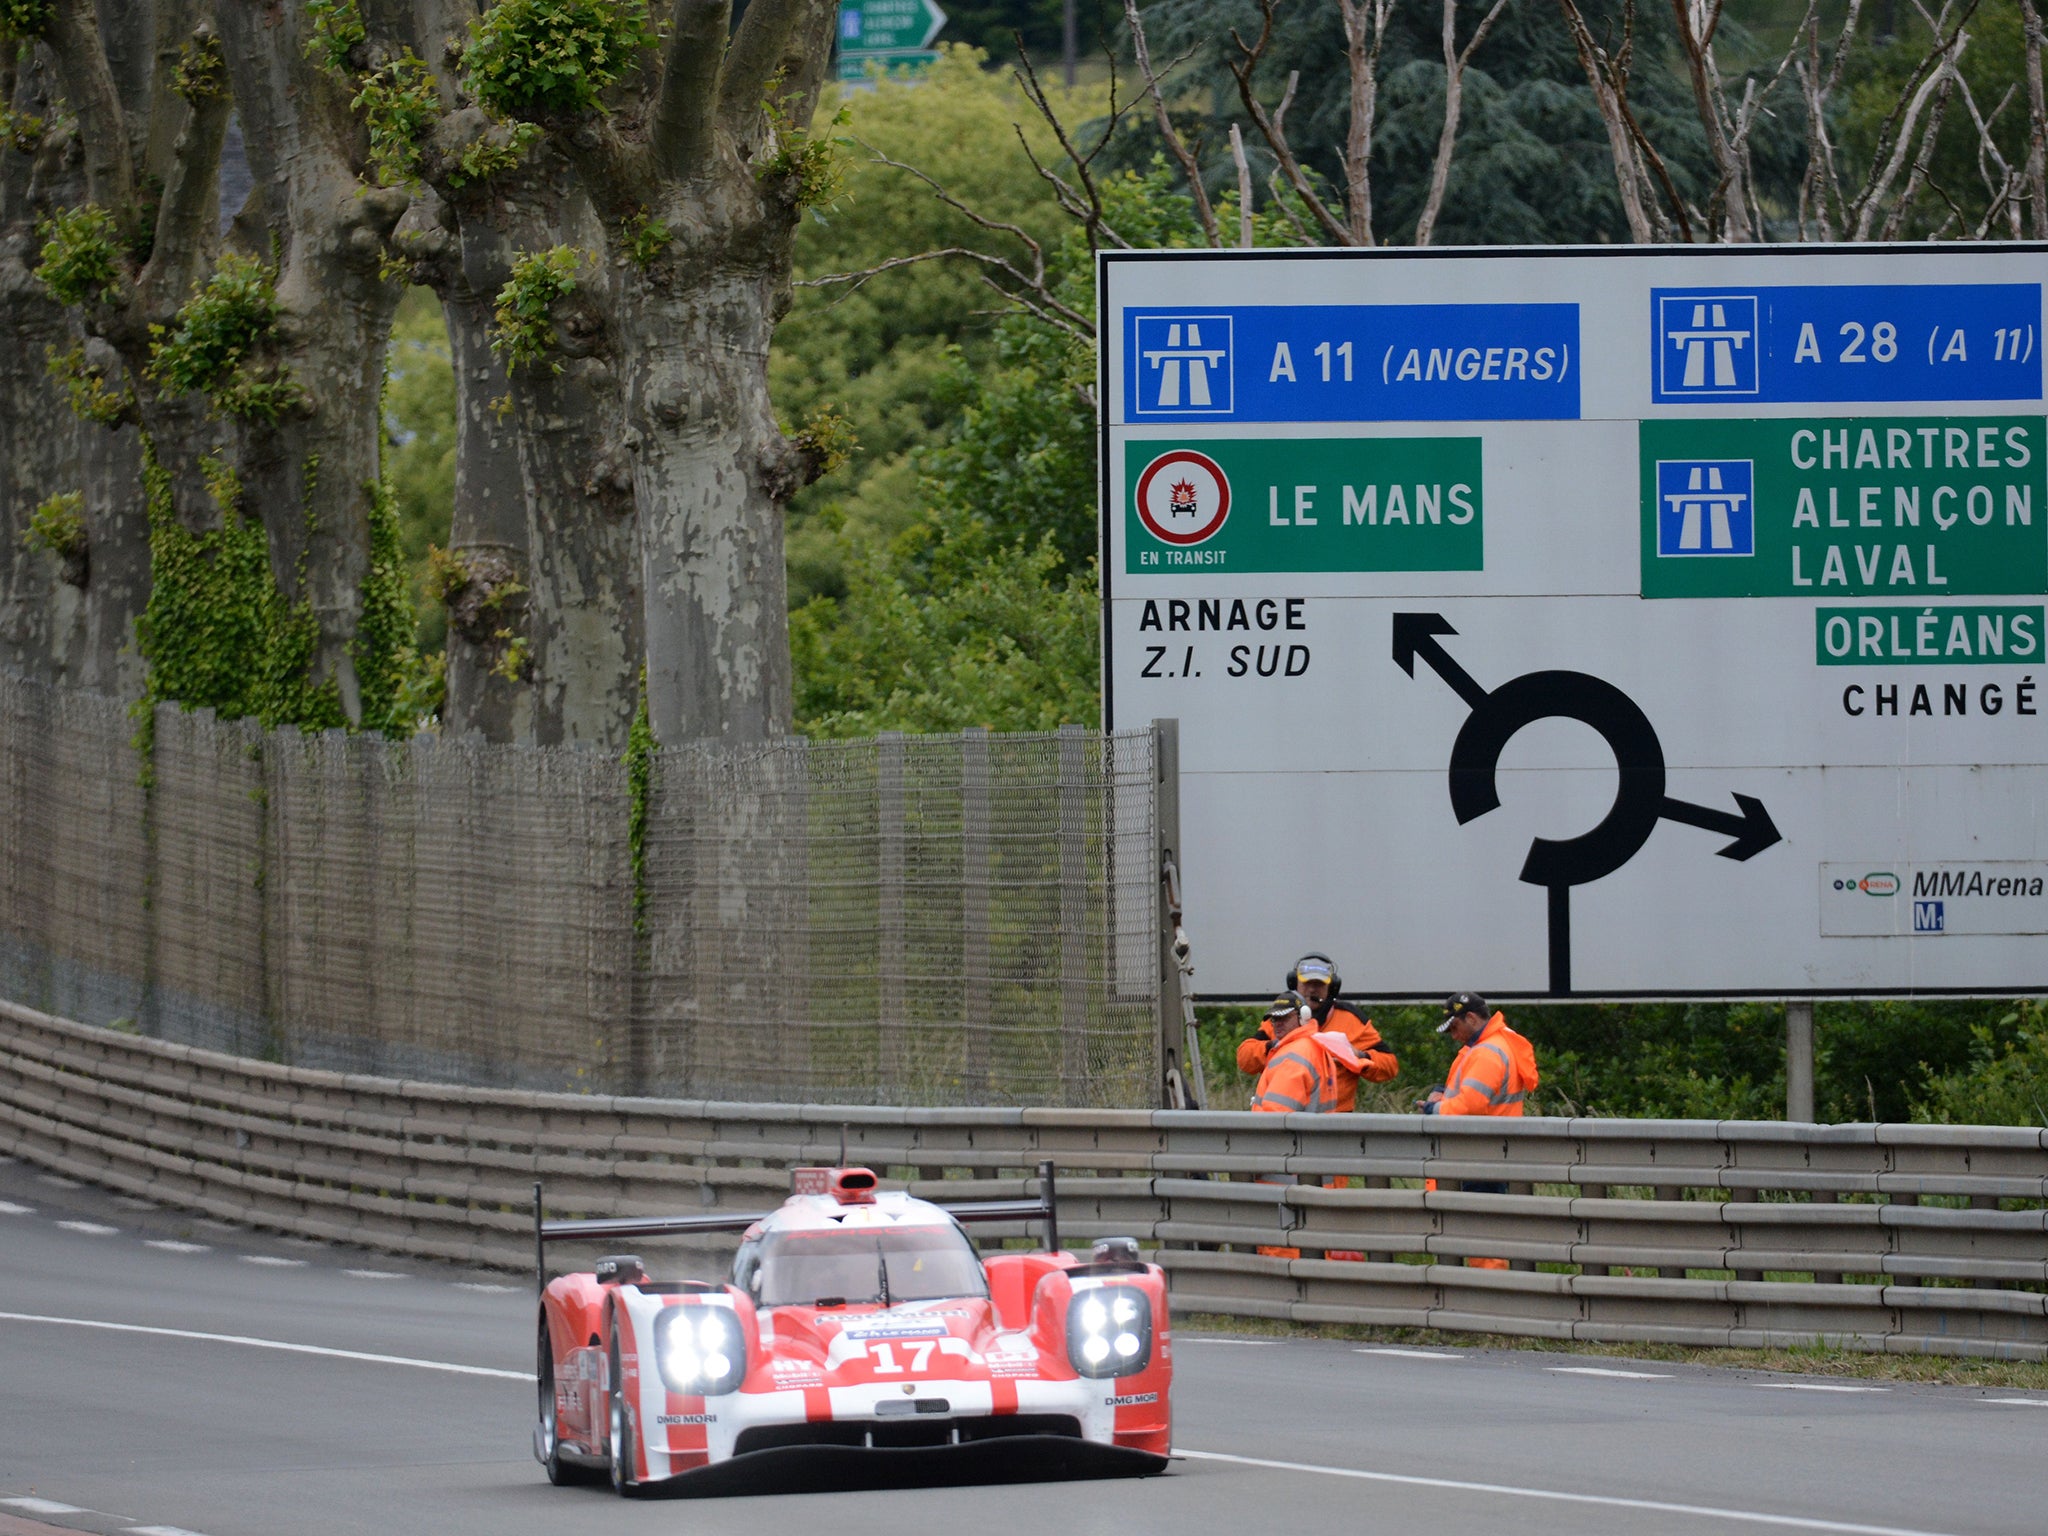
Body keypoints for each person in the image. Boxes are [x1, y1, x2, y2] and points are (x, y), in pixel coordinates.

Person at [1421, 991, 1539, 1270]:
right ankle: (1490, 1288)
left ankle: (1489, 1291)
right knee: (1487, 1227)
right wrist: (1443, 1091)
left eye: (1454, 1027)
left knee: (1483, 1231)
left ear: (1471, 1018)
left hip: (1480, 1154)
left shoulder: (1486, 1052)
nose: (1453, 1035)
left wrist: (1432, 1110)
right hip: (1491, 1152)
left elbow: (1470, 1105)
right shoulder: (1494, 1044)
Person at [1247, 991, 1367, 1260]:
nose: (1277, 1025)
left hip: (1282, 1183)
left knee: (1282, 1259)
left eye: (1284, 1019)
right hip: (1310, 1177)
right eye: (1273, 1020)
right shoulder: (1314, 1048)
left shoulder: (1293, 1055)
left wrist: (1245, 1154)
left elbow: (1273, 1121)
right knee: (1309, 1255)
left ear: (1302, 1018)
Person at [1237, 953, 1398, 1110]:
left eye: (1319, 984)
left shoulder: (1351, 1019)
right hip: (1286, 1116)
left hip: (1336, 1121)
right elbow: (1245, 1057)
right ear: (1295, 984)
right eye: (1306, 983)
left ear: (1332, 988)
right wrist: (1276, 1046)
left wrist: (1358, 1057)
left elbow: (1390, 1065)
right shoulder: (1282, 1016)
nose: (1312, 990)